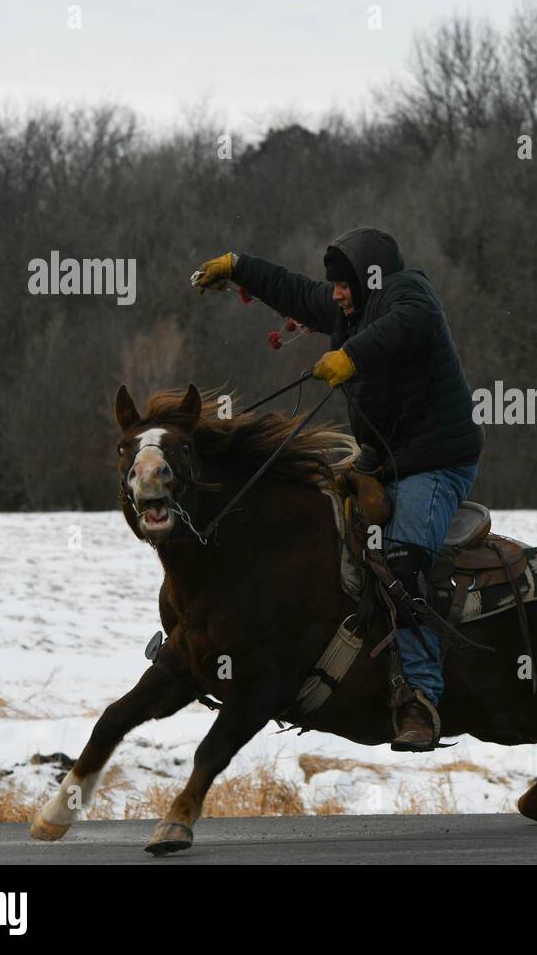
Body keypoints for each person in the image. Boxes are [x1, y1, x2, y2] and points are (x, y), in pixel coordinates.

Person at [191, 227, 483, 749]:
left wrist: (352, 358)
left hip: (437, 463)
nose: (337, 294)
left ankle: (420, 697)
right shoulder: (347, 310)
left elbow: (408, 324)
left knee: (400, 562)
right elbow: (293, 290)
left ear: (371, 278)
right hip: (384, 459)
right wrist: (239, 266)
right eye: (335, 285)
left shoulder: (407, 292)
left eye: (345, 284)